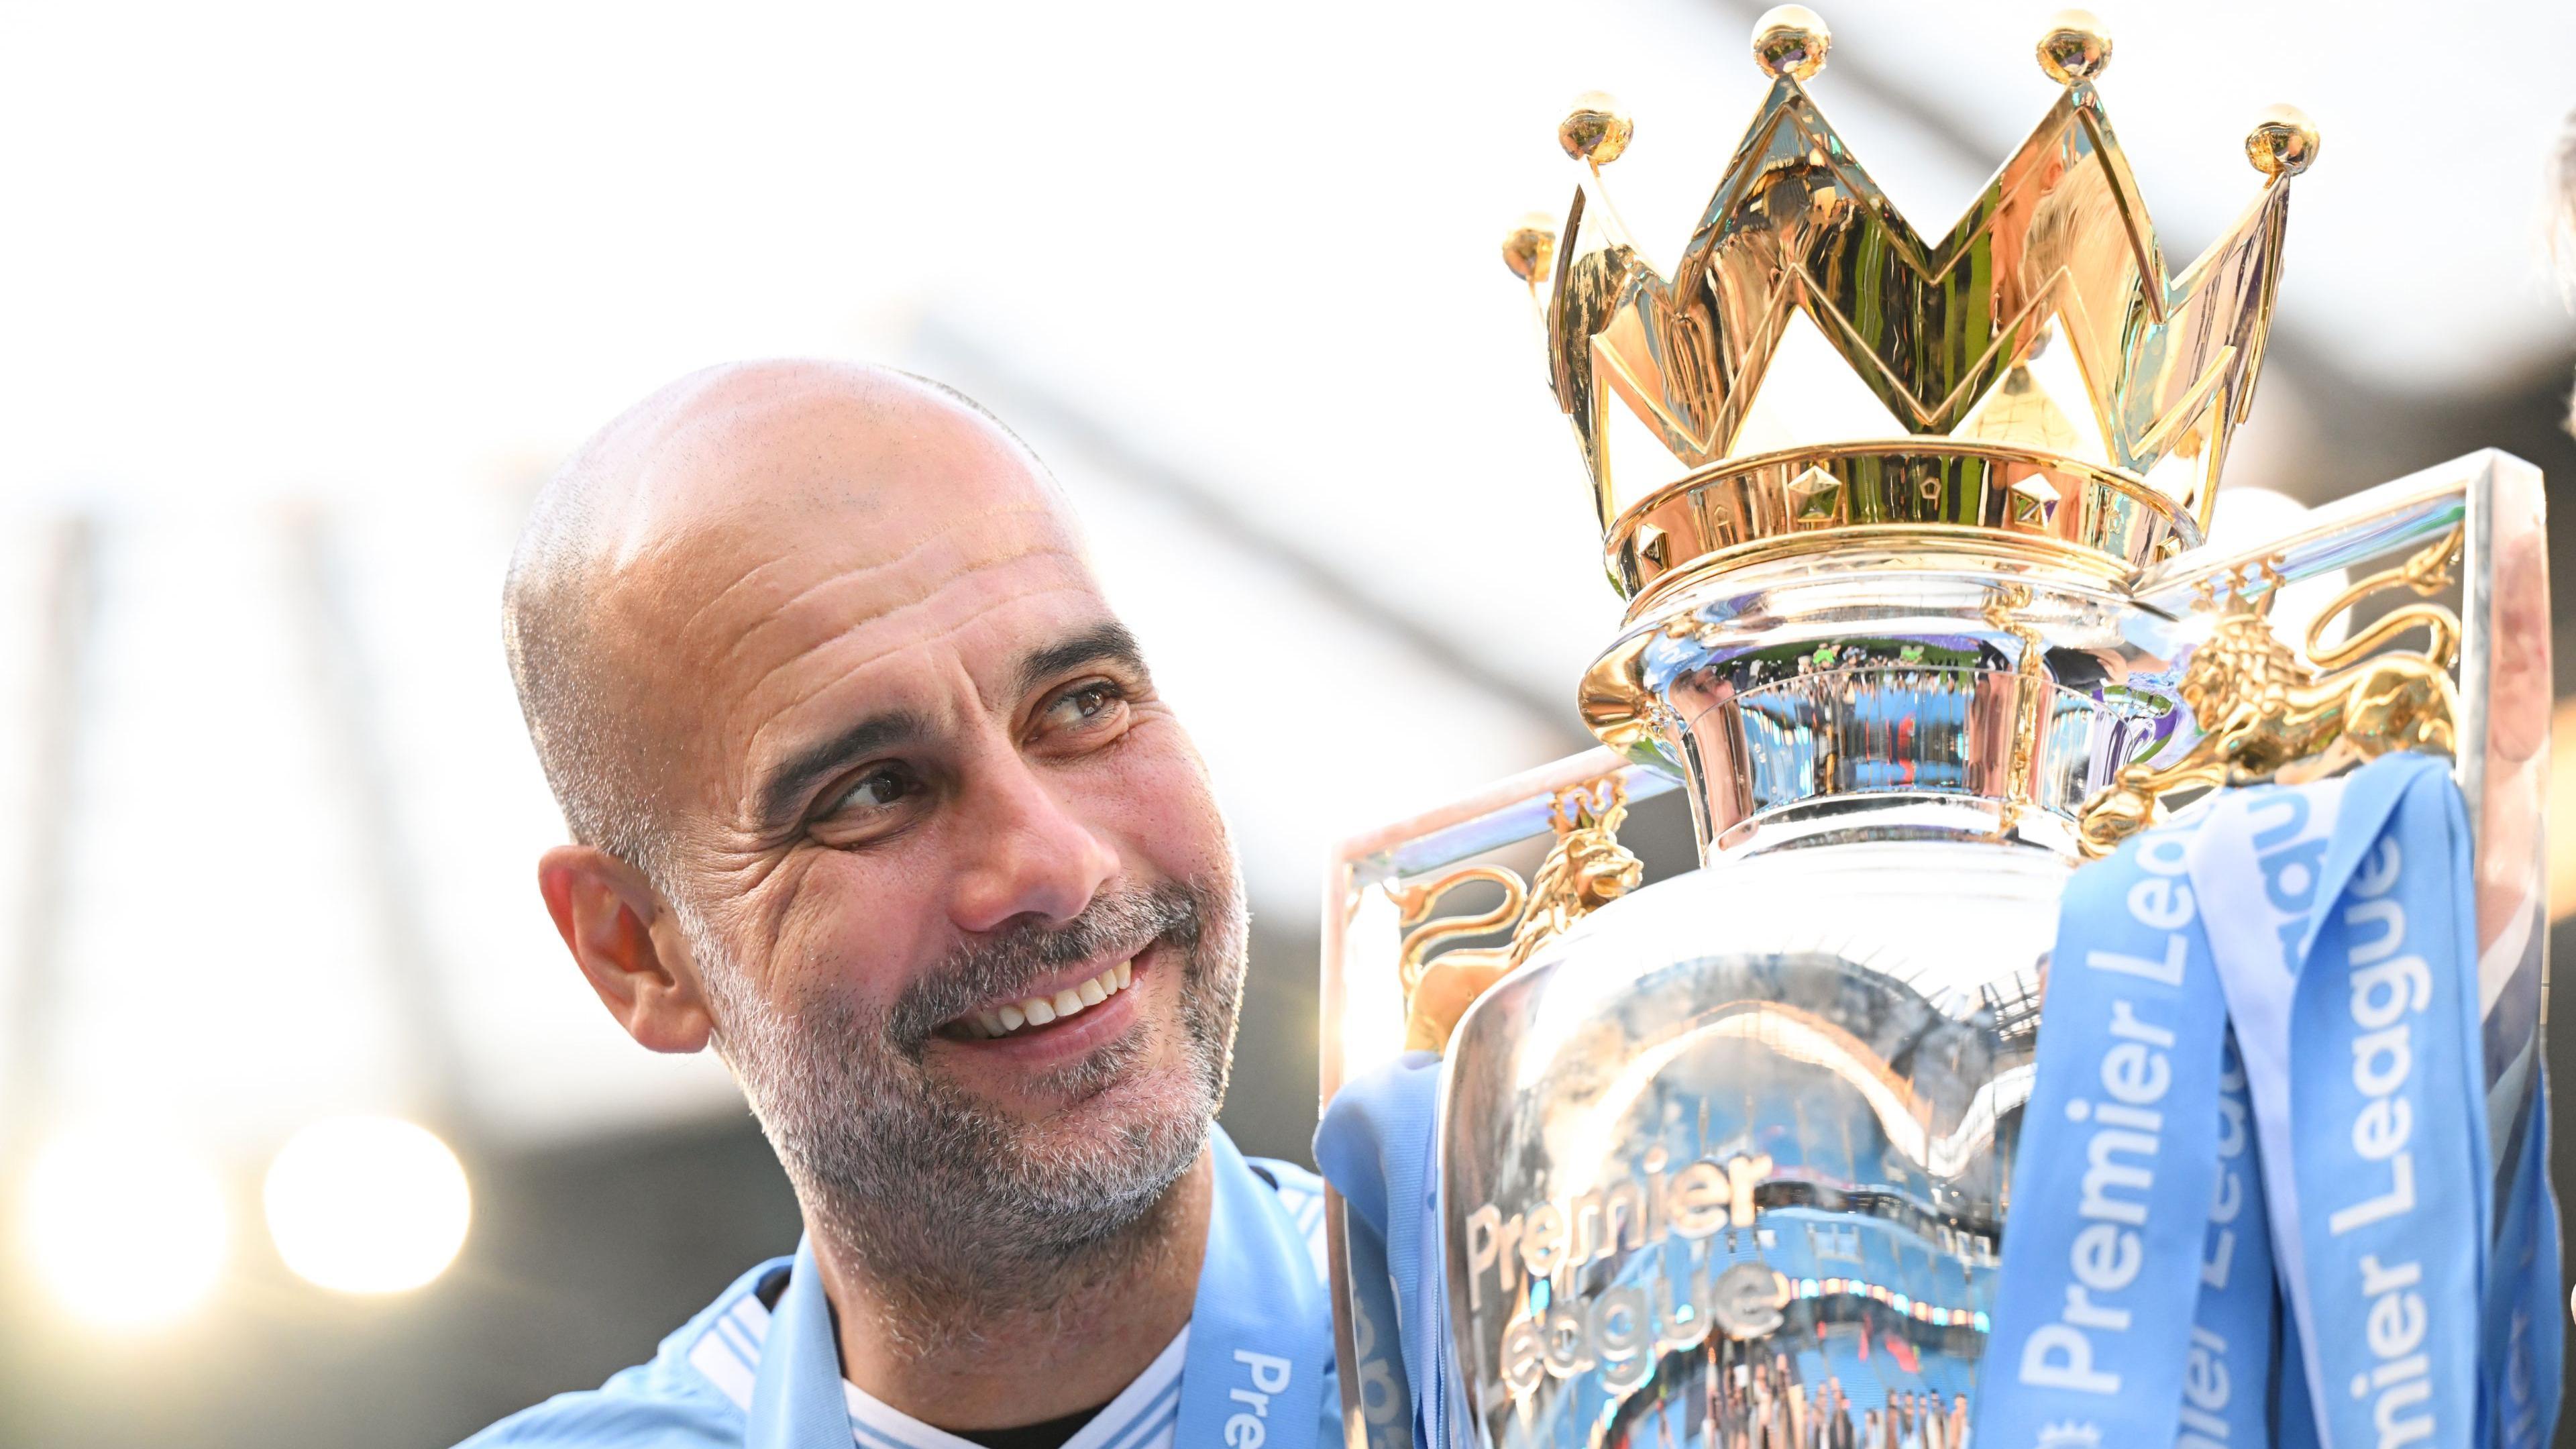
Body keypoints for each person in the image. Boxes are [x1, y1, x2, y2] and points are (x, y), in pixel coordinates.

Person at [458, 362, 1335, 1448]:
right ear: (637, 951)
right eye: (871, 791)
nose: (1052, 864)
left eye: (1083, 704)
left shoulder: (1539, 1312)